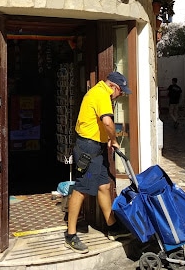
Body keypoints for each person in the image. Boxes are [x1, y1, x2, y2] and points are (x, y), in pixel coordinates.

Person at [64, 71, 132, 254]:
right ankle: (70, 235)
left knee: (103, 185)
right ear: (114, 87)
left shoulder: (98, 91)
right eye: (121, 91)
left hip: (94, 147)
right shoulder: (102, 94)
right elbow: (108, 122)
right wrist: (114, 139)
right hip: (88, 148)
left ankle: (112, 227)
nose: (121, 95)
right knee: (82, 189)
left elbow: (102, 123)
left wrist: (107, 139)